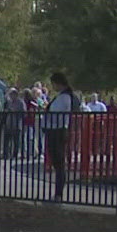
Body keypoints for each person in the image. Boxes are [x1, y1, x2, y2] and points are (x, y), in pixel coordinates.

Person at [42, 70, 77, 199]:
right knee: (57, 162)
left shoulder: (65, 97)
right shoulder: (61, 96)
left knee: (59, 163)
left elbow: (60, 114)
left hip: (57, 130)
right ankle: (58, 192)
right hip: (54, 129)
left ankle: (58, 193)